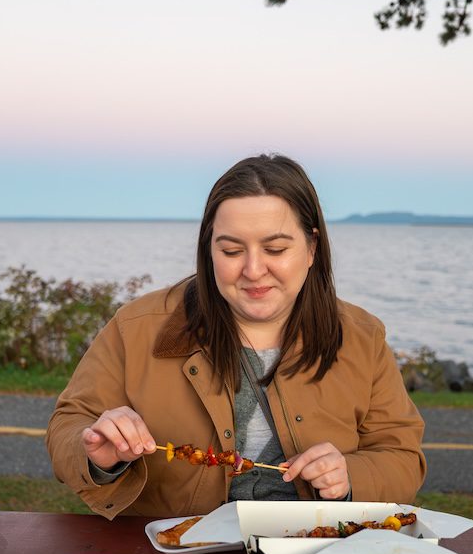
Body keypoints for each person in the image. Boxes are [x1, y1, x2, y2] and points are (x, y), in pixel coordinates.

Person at [46, 154, 426, 519]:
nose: (253, 270)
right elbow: (69, 425)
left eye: (275, 248)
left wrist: (348, 478)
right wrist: (96, 454)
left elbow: (402, 457)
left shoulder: (362, 337)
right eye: (231, 250)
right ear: (209, 249)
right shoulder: (137, 327)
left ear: (312, 248)